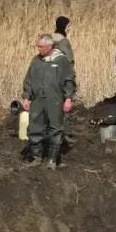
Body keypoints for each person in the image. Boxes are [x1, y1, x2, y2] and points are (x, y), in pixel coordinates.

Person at [22, 34, 76, 169]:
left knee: (55, 128)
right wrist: (26, 97)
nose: (38, 49)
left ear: (49, 46)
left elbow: (69, 81)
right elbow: (28, 80)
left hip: (55, 100)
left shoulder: (61, 61)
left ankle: (52, 159)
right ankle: (36, 157)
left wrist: (68, 98)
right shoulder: (36, 61)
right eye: (38, 46)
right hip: (38, 100)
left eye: (41, 46)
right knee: (35, 127)